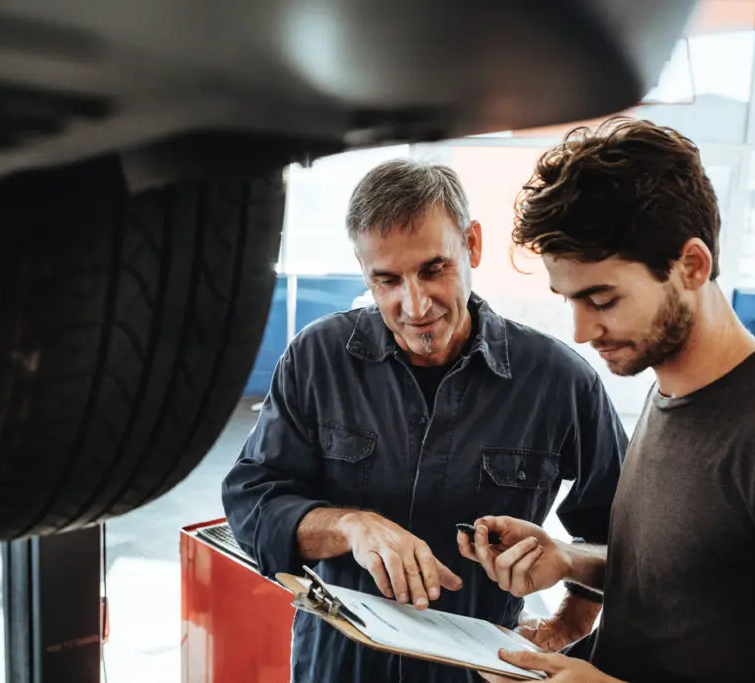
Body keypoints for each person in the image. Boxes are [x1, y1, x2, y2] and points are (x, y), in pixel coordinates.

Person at [220, 158, 628, 683]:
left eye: (434, 269)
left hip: (481, 674)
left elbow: (619, 542)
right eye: (386, 280)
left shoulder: (560, 381)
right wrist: (351, 526)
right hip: (337, 670)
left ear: (473, 244)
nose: (413, 305)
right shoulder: (316, 358)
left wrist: (562, 627)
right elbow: (251, 502)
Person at [465, 118, 755, 683]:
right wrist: (567, 558)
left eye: (603, 299)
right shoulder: (669, 394)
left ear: (692, 266)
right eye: (570, 301)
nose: (582, 331)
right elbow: (700, 581)